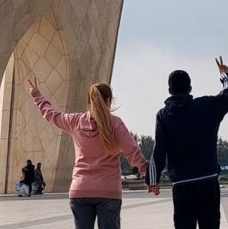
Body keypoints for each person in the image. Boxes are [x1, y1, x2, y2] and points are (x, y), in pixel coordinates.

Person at [29, 76, 152, 229]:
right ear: (109, 101)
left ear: (89, 102)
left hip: (80, 190)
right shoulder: (115, 124)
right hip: (108, 191)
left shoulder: (74, 121)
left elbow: (52, 115)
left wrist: (37, 95)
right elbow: (132, 152)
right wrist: (150, 175)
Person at [147, 57, 228, 229]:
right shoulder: (207, 106)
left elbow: (158, 151)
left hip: (181, 185)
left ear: (169, 90)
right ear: (190, 89)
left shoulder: (163, 116)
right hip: (208, 181)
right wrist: (225, 74)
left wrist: (153, 181)